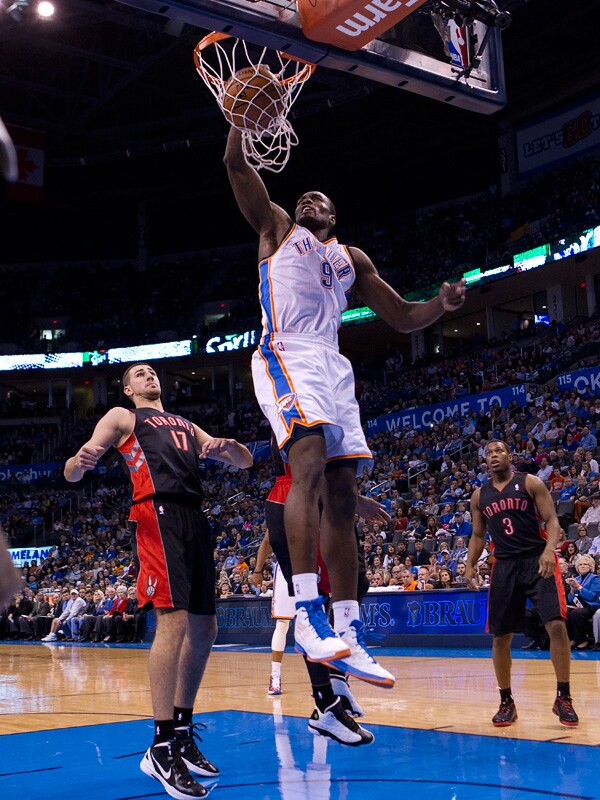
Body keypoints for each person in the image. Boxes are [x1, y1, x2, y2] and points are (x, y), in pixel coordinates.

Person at [224, 126, 466, 683]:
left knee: (342, 494)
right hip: (287, 351)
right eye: (304, 196)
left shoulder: (350, 258)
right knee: (305, 464)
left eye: (321, 201)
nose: (309, 201)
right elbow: (236, 166)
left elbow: (404, 317)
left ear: (334, 218)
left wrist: (442, 304)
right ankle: (306, 611)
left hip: (333, 364)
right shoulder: (277, 227)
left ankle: (349, 627)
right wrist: (240, 118)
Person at [64, 362, 253, 800]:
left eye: (152, 372)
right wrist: (80, 461)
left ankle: (183, 731)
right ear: (128, 388)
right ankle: (161, 743)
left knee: (206, 627)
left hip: (193, 517)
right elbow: (73, 472)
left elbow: (242, 463)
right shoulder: (123, 417)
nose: (149, 376)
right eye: (140, 373)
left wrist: (231, 448)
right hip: (156, 513)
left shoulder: (186, 424)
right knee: (174, 621)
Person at [252, 439, 382, 746]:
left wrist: (354, 497)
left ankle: (334, 681)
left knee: (356, 582)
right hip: (299, 498)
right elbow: (309, 463)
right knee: (312, 605)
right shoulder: (294, 405)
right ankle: (326, 704)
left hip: (327, 500)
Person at [466, 440, 579, 728]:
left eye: (499, 451)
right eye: (489, 453)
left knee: (556, 625)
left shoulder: (529, 483)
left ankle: (563, 697)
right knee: (501, 637)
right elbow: (478, 536)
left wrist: (548, 552)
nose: (494, 456)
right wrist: (469, 565)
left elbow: (552, 520)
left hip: (535, 560)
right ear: (485, 461)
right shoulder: (480, 496)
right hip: (503, 565)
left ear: (509, 456)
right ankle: (506, 702)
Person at [565, 554, 600, 650]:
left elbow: (592, 596)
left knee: (576, 613)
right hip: (578, 605)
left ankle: (582, 640)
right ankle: (572, 639)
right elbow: (570, 600)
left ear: (590, 566)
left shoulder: (595, 578)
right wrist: (572, 590)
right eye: (580, 564)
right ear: (577, 567)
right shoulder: (577, 579)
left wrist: (578, 587)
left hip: (591, 606)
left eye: (585, 564)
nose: (583, 566)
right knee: (566, 610)